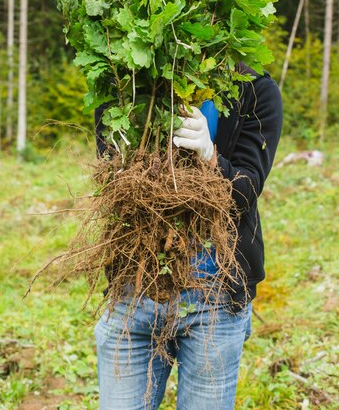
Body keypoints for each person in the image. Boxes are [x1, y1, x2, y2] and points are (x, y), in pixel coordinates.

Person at [94, 62, 283, 410]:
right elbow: (109, 178)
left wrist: (210, 156)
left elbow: (246, 189)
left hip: (214, 292)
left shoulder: (256, 90)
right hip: (134, 285)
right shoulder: (127, 80)